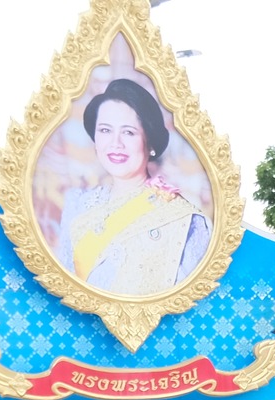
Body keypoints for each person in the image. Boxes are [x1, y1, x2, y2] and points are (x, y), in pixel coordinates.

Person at [57, 79, 209, 294]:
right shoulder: (77, 204)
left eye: (128, 132)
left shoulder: (182, 218)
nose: (115, 143)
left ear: (150, 142)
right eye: (105, 130)